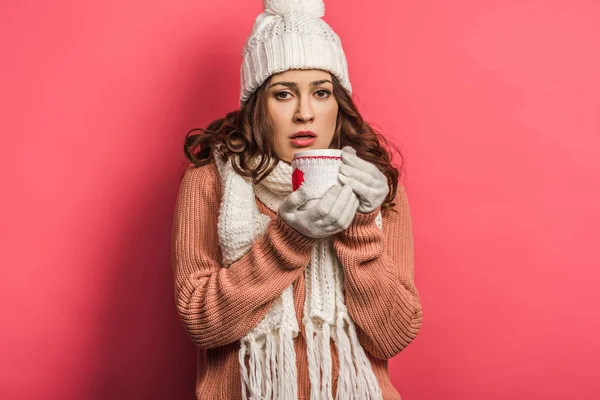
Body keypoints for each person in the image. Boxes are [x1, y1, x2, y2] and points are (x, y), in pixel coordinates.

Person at [171, 0, 422, 398]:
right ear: (258, 107)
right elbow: (203, 322)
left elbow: (391, 336)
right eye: (284, 94)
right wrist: (288, 239)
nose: (305, 112)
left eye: (321, 93)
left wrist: (359, 226)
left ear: (339, 105)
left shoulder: (376, 189)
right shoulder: (209, 184)